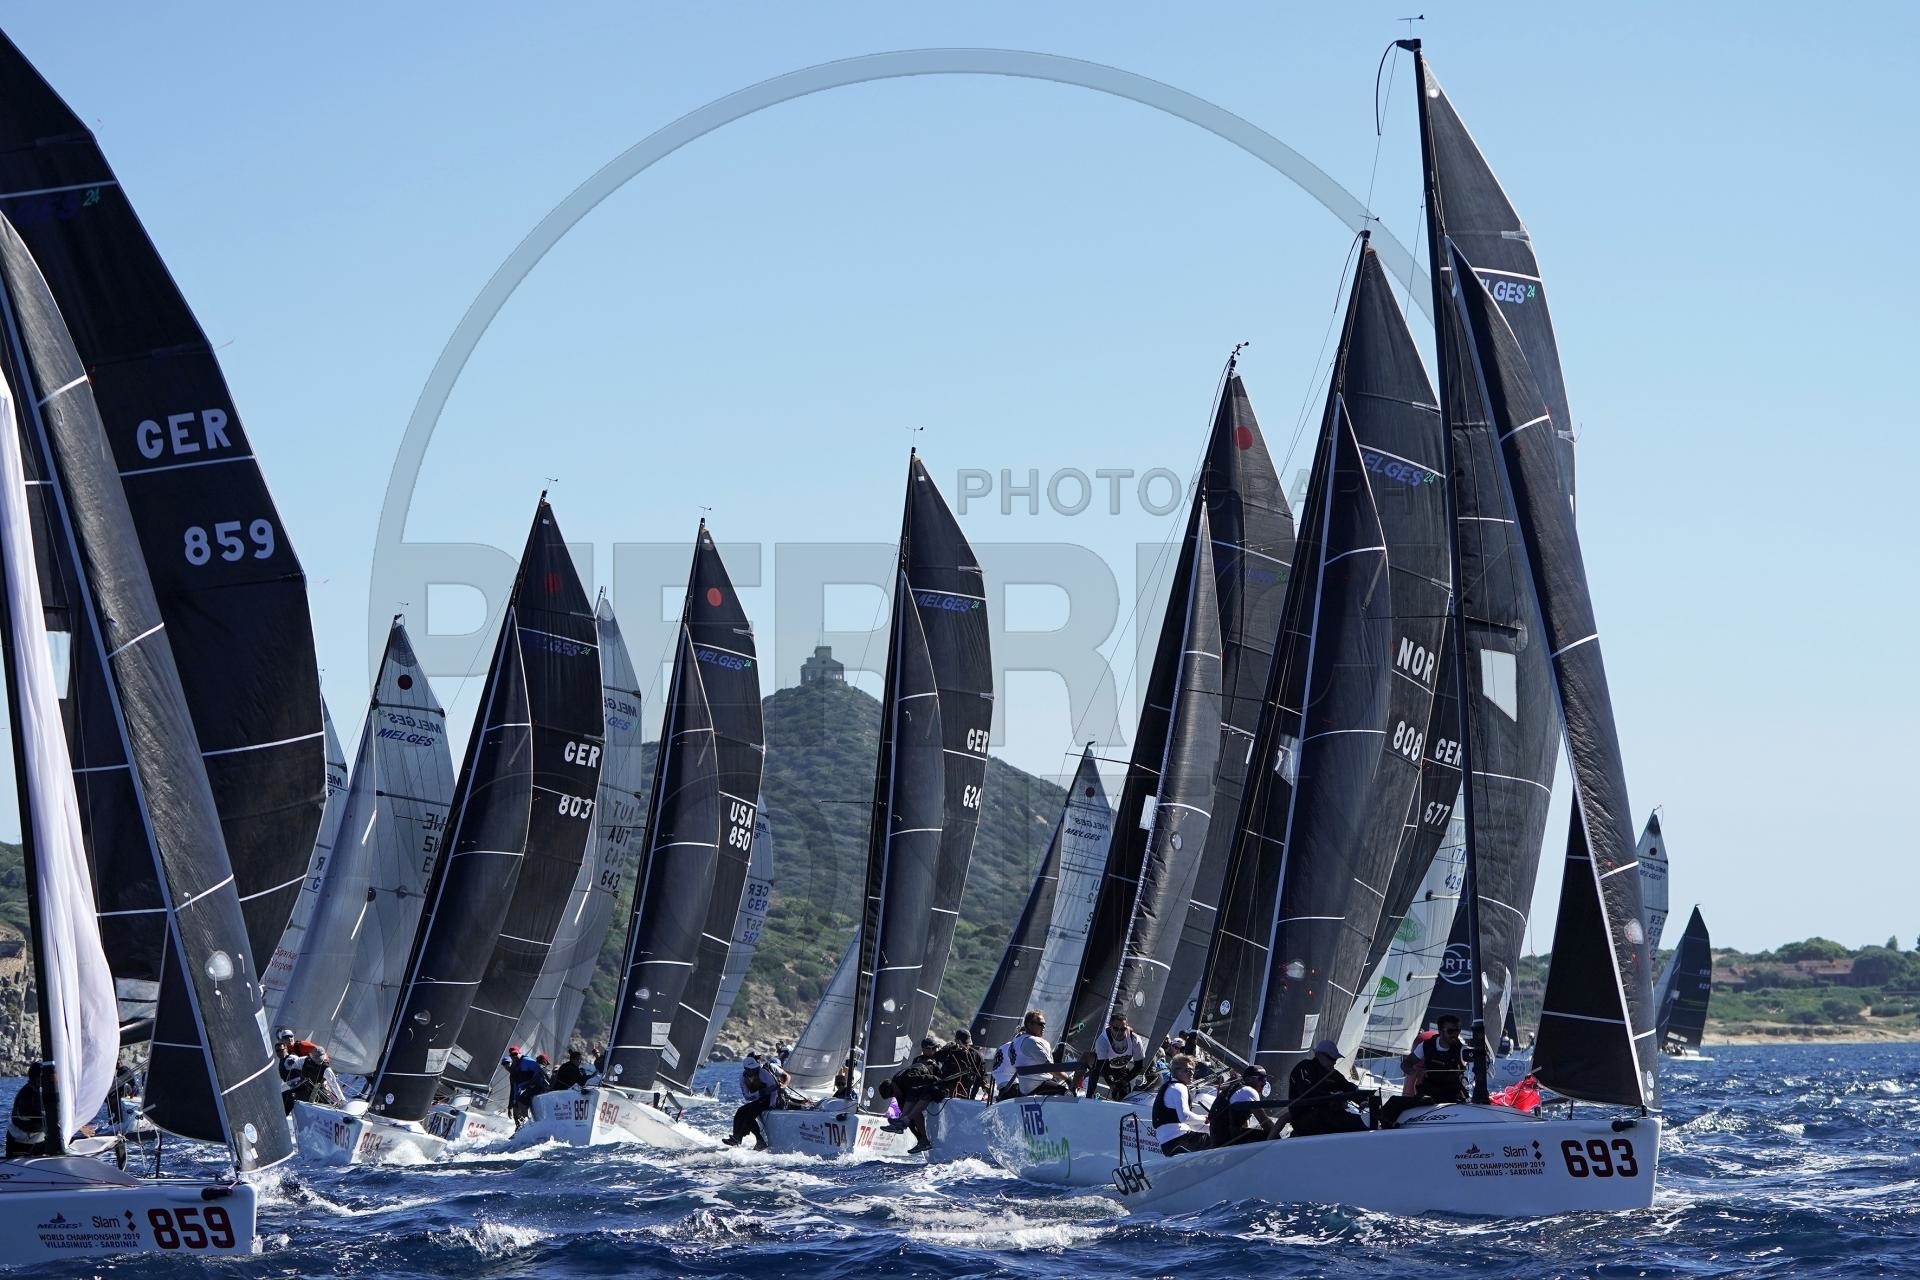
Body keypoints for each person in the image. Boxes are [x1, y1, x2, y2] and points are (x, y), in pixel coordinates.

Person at [1286, 1039, 1368, 1136]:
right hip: (1306, 1117)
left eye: (1336, 1059)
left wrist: (1363, 1100)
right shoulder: (1305, 1067)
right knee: (1350, 1123)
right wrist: (1331, 1096)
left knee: (1357, 1122)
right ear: (1319, 1055)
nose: (1334, 1062)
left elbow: (1348, 1087)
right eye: (1332, 1058)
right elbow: (1305, 1091)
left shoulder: (1334, 1074)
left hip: (1328, 1115)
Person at [997, 1010, 1075, 1099]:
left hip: (1024, 1089)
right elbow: (1049, 1067)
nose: (1044, 1027)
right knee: (1070, 1095)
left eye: (1044, 1024)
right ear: (1029, 1024)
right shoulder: (1031, 1042)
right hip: (1039, 1085)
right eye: (1040, 1024)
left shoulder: (1015, 1042)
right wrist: (1068, 1080)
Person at [725, 1051, 788, 1148]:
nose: (754, 1069)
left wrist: (772, 1104)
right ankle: (736, 1138)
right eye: (751, 1069)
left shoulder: (764, 1073)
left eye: (755, 1067)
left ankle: (758, 1140)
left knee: (749, 1116)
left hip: (770, 1100)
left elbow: (774, 1091)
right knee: (740, 1111)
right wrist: (759, 1093)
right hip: (759, 1100)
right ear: (746, 1069)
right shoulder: (742, 1077)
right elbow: (747, 1096)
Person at [1152, 1054, 1210, 1157]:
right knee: (1222, 1140)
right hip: (1181, 1139)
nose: (1192, 1073)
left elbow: (1183, 1122)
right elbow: (1185, 1117)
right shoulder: (1179, 1087)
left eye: (1192, 1070)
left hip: (1167, 1145)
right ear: (1177, 1071)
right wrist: (1205, 1119)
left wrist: (1209, 1126)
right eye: (1187, 1070)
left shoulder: (1169, 1086)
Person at [1085, 1011, 1151, 1100]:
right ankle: (1087, 1096)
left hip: (1120, 1067)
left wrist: (1124, 1081)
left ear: (1127, 1027)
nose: (1119, 1032)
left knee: (1123, 1092)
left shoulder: (1135, 1040)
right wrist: (1111, 1084)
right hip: (1103, 1066)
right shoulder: (1102, 1041)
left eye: (1123, 1029)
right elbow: (1102, 1068)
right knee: (1094, 1068)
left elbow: (1139, 1066)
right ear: (1110, 1026)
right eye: (1116, 1028)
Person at [1209, 1064, 1276, 1147]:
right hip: (1228, 1140)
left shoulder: (1236, 1088)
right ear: (1248, 1079)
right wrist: (1279, 1137)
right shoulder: (1248, 1091)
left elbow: (1241, 1121)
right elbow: (1264, 1122)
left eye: (1265, 1079)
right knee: (1272, 1134)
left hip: (1218, 1139)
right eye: (1261, 1078)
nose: (1264, 1083)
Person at [6, 1061, 55, 1157]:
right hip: (18, 1140)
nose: (44, 1082)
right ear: (33, 1080)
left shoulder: (47, 1091)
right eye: (40, 1079)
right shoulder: (25, 1096)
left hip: (38, 1139)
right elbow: (37, 1122)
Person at [933, 1028, 990, 1100]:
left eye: (967, 1044)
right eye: (964, 1044)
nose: (966, 1046)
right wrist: (947, 1048)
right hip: (947, 1089)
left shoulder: (976, 1055)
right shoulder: (949, 1051)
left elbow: (982, 1075)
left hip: (964, 1091)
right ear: (957, 1041)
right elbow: (936, 1057)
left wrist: (985, 1087)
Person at [502, 1046, 550, 1126]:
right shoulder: (515, 1071)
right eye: (512, 1055)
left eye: (515, 1054)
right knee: (517, 1106)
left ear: (519, 1053)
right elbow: (514, 1089)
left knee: (521, 1103)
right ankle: (521, 1126)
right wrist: (511, 1105)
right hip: (530, 1089)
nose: (514, 1056)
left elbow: (539, 1070)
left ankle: (529, 1124)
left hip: (538, 1087)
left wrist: (535, 1082)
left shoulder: (527, 1061)